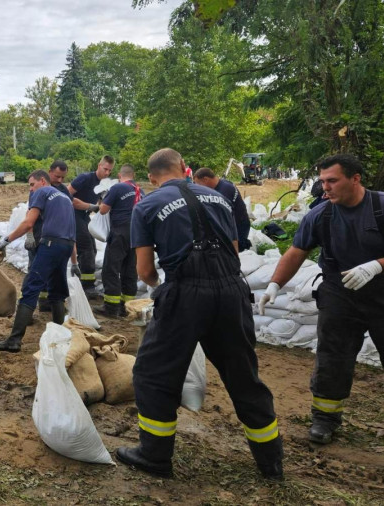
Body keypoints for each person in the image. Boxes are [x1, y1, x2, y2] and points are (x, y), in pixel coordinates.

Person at [115, 148, 282, 480]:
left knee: (153, 374)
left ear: (151, 177)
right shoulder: (218, 197)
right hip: (232, 291)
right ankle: (271, 464)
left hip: (185, 295)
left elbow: (145, 268)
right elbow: (234, 249)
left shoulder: (146, 205)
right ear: (184, 168)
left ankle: (155, 456)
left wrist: (157, 286)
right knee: (244, 376)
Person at [259, 154, 384, 445]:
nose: (325, 188)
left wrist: (377, 265)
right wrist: (274, 285)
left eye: (332, 180)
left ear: (355, 179)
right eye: (322, 181)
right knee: (332, 358)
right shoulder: (320, 214)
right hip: (339, 293)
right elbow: (296, 251)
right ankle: (325, 420)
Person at [0, 170, 78, 351]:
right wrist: (75, 262)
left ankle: (14, 340)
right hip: (66, 246)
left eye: (32, 184)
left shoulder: (42, 192)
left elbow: (28, 222)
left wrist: (5, 240)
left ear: (42, 181)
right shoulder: (65, 198)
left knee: (31, 288)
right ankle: (59, 338)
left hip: (50, 244)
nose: (31, 189)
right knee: (57, 292)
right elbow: (72, 232)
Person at [95, 164, 141, 318]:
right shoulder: (140, 190)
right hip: (136, 234)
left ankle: (111, 307)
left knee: (111, 269)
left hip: (120, 232)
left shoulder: (117, 188)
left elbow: (103, 210)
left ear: (120, 176)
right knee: (130, 270)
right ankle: (127, 308)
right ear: (132, 175)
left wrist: (103, 199)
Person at [26, 160, 71, 314]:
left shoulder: (64, 192)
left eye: (62, 178)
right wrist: (29, 235)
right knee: (33, 272)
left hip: (53, 239)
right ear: (49, 173)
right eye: (57, 176)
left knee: (53, 275)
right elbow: (29, 216)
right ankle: (29, 310)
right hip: (38, 236)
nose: (59, 180)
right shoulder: (37, 191)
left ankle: (46, 303)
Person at [68, 155, 113, 298]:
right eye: (105, 169)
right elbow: (66, 196)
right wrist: (90, 206)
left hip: (84, 216)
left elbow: (102, 203)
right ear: (99, 166)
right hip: (72, 214)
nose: (106, 173)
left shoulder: (104, 185)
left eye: (109, 171)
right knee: (86, 247)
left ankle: (84, 282)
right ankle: (87, 287)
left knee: (92, 249)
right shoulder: (84, 178)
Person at [193, 167, 253, 252]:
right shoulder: (223, 184)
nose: (198, 187)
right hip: (236, 225)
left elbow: (219, 215)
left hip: (238, 226)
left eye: (197, 184)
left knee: (234, 253)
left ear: (205, 179)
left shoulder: (224, 191)